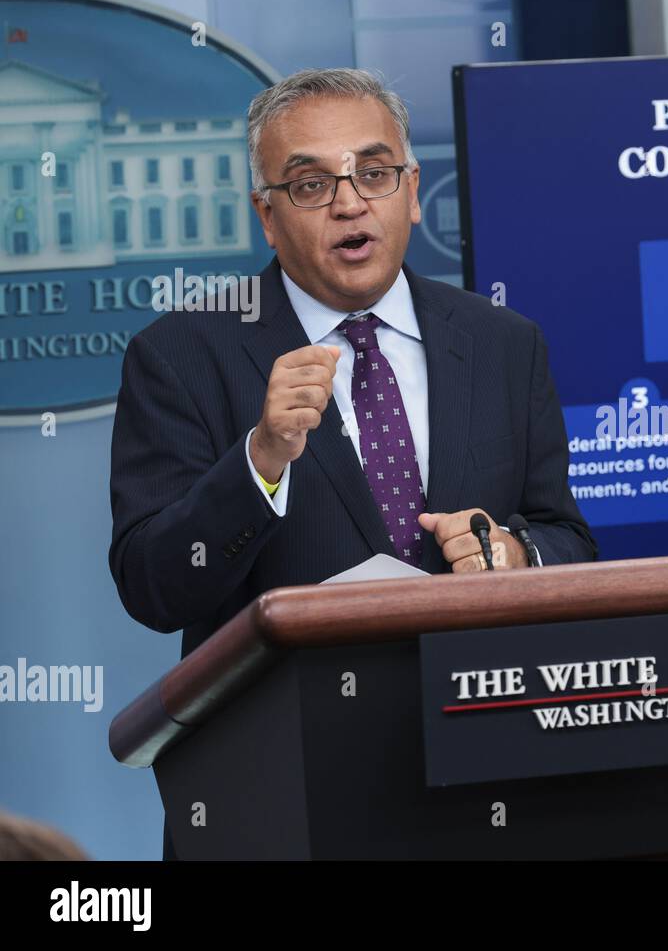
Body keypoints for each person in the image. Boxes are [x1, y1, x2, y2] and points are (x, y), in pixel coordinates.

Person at [108, 67, 597, 664]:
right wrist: (260, 461)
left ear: (412, 192)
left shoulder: (503, 342)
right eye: (311, 185)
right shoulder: (179, 356)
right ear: (267, 216)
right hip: (288, 737)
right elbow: (153, 589)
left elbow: (566, 537)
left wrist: (516, 553)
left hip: (475, 718)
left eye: (373, 174)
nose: (349, 204)